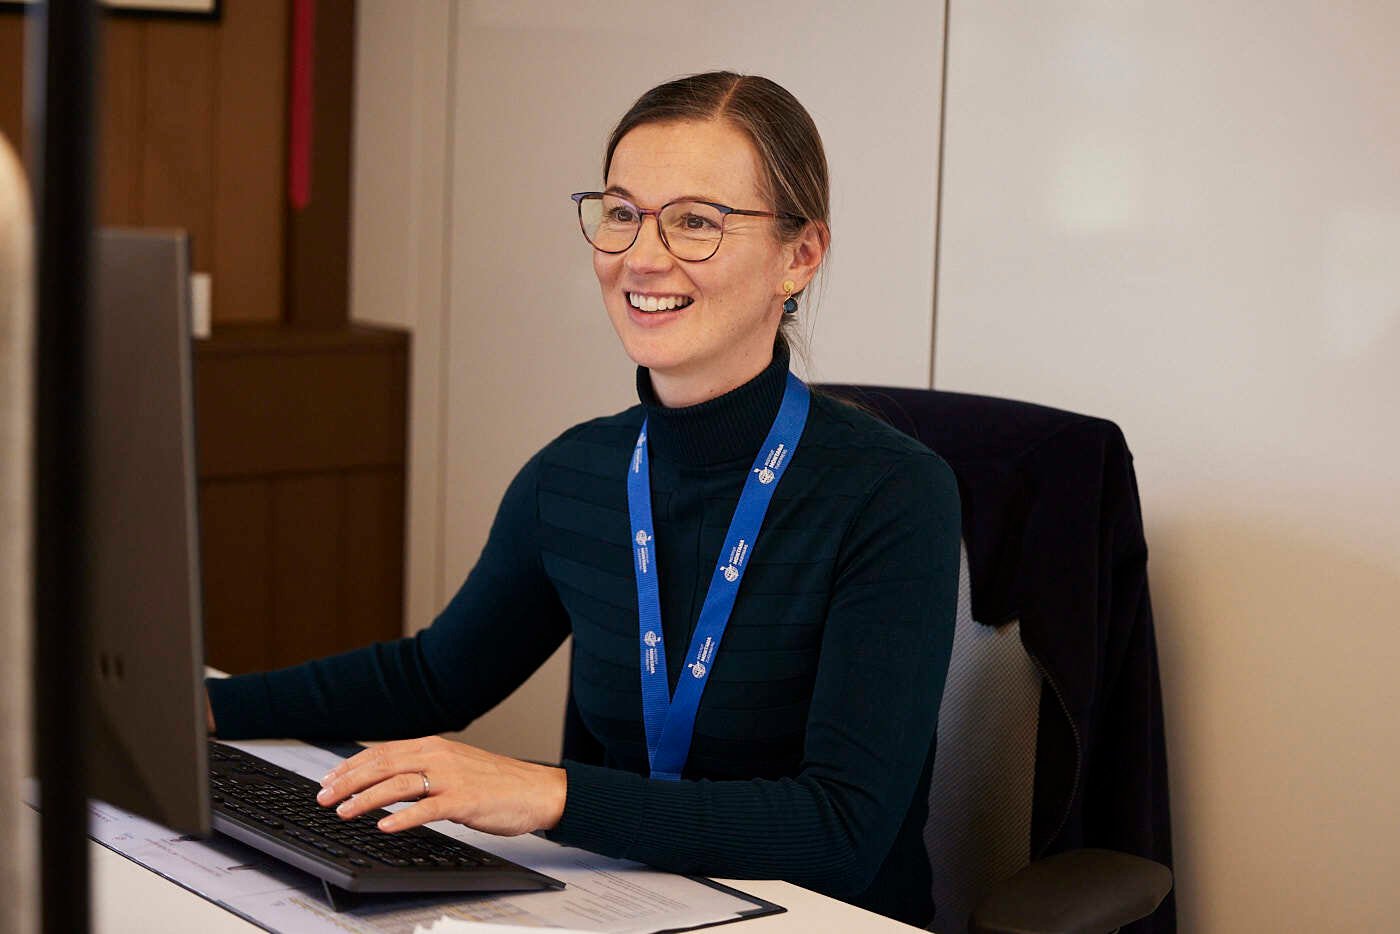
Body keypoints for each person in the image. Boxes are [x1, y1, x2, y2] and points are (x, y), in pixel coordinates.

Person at [207, 71, 961, 927]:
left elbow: (843, 827)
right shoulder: (576, 472)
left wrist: (548, 795)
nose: (642, 256)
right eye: (621, 212)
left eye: (695, 222)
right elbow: (433, 676)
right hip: (622, 904)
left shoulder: (893, 495)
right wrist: (200, 707)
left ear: (800, 255)